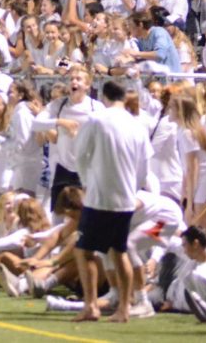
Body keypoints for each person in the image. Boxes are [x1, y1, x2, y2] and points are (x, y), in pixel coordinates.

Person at [72, 81, 152, 323]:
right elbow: (144, 165)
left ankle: (91, 305)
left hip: (100, 196)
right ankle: (125, 309)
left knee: (83, 250)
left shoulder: (97, 119)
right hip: (125, 198)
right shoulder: (136, 124)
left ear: (105, 96)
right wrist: (133, 189)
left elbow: (80, 153)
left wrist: (86, 182)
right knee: (119, 251)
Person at [31, 67, 101, 211]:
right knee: (57, 215)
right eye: (71, 79)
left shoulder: (96, 108)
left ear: (87, 85)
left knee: (83, 216)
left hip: (86, 170)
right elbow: (35, 124)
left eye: (78, 79)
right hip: (63, 169)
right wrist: (60, 122)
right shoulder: (59, 105)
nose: (74, 82)